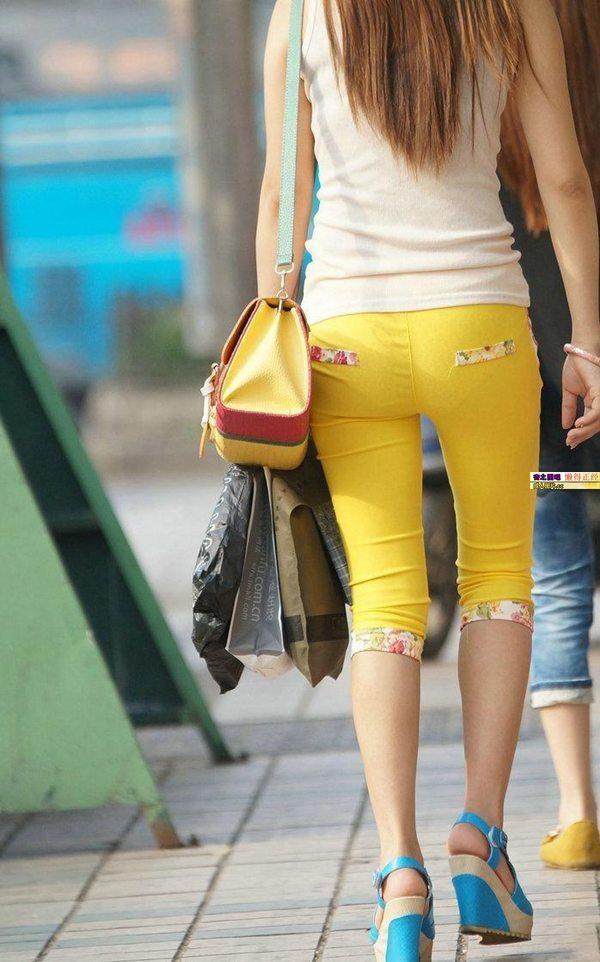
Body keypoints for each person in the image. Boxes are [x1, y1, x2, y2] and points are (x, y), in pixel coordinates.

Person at [256, 1, 600, 958]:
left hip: (347, 337)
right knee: (498, 584)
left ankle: (399, 875)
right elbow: (564, 177)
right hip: (479, 326)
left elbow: (283, 193)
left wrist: (269, 345)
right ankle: (479, 838)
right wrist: (588, 339)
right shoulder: (510, 5)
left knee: (385, 603)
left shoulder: (300, 12)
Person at [499, 0, 600, 871]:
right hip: (576, 358)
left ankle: (577, 810)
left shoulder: (498, 72)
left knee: (557, 568)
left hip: (538, 381)